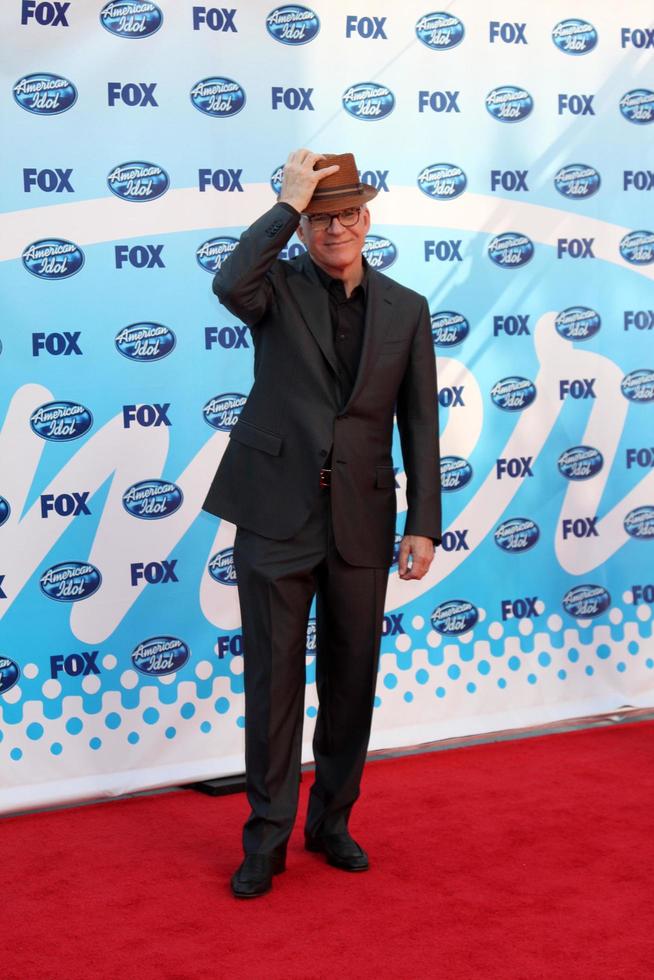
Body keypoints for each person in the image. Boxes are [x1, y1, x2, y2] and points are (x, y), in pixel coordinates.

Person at [203, 149, 441, 898]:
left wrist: (423, 522)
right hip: (275, 515)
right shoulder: (272, 287)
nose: (334, 227)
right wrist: (283, 204)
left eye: (346, 214)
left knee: (351, 682)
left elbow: (419, 424)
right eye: (318, 216)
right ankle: (265, 840)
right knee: (272, 683)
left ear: (367, 220)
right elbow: (226, 281)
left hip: (364, 519)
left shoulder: (407, 308)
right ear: (302, 226)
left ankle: (332, 822)